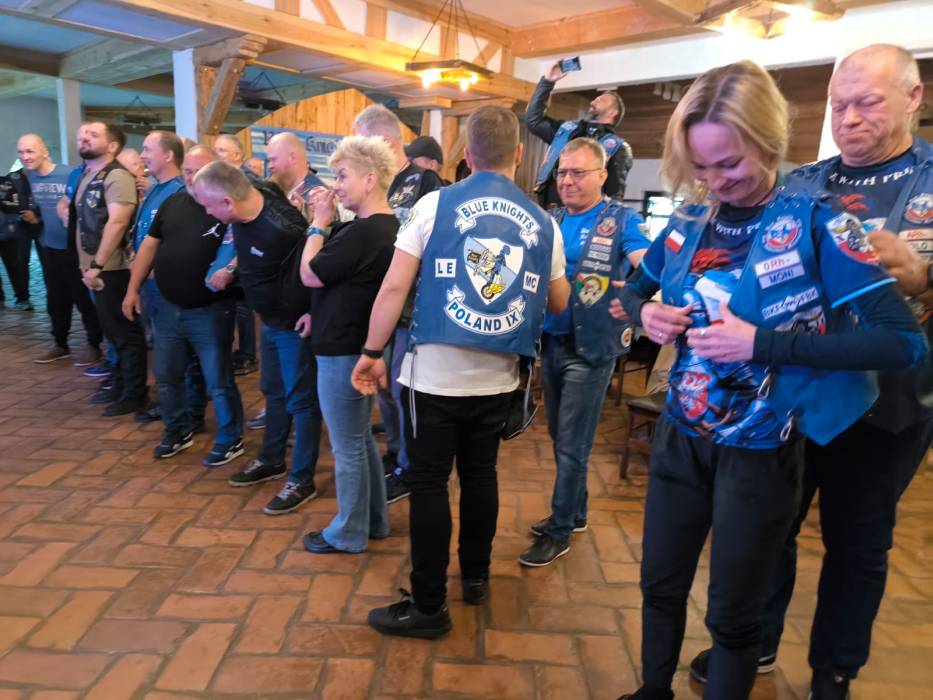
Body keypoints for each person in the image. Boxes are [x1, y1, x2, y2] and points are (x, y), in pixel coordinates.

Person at [612, 60, 926, 700]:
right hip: (682, 436)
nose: (713, 181)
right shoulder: (693, 215)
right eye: (700, 167)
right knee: (659, 585)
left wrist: (763, 343)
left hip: (762, 447)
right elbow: (628, 291)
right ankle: (651, 690)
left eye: (729, 163)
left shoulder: (821, 219)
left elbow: (903, 344)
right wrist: (645, 313)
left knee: (734, 616)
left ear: (768, 139)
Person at [351, 106, 570, 638]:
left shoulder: (434, 204)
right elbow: (560, 302)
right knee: (480, 476)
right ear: (519, 154)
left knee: (428, 484)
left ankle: (429, 607)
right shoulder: (544, 221)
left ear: (467, 155)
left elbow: (395, 286)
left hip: (433, 374)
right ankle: (475, 578)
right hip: (499, 377)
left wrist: (373, 350)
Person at [518, 138, 649, 567]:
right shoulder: (551, 219)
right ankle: (575, 513)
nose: (568, 180)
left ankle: (558, 530)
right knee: (561, 438)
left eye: (578, 172)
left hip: (591, 348)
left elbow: (647, 263)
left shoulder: (622, 220)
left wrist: (636, 292)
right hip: (552, 341)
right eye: (562, 172)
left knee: (573, 444)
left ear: (602, 175)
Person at [192, 160, 323, 516]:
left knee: (302, 402)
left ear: (228, 202)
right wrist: (232, 267)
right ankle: (271, 459)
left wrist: (313, 311)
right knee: (273, 392)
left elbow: (316, 267)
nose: (207, 213)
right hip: (271, 320)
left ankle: (302, 478)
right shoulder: (254, 195)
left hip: (294, 325)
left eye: (208, 206)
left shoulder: (284, 228)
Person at [297, 135, 396, 553]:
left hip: (344, 348)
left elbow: (310, 273)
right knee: (359, 439)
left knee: (348, 445)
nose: (336, 185)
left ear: (370, 179)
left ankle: (348, 533)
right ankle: (374, 520)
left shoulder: (365, 231)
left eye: (342, 176)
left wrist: (318, 223)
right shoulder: (383, 227)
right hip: (354, 342)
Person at [123, 145, 244, 466]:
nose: (190, 178)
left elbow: (245, 246)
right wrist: (132, 289)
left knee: (218, 380)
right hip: (167, 307)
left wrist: (230, 269)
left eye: (198, 172)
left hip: (210, 310)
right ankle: (177, 430)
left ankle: (230, 438)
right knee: (167, 376)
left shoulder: (228, 204)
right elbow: (149, 247)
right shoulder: (173, 202)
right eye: (187, 171)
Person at [352, 104, 445, 503]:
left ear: (385, 141)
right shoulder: (380, 183)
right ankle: (396, 451)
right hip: (378, 301)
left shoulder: (425, 181)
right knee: (385, 388)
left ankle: (409, 465)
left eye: (363, 143)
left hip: (410, 307)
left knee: (403, 388)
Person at [73, 122, 147, 417]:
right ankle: (119, 384)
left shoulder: (117, 175)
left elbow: (117, 222)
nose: (84, 138)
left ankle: (134, 394)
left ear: (113, 146)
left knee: (125, 333)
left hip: (112, 268)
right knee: (112, 333)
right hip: (94, 267)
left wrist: (97, 265)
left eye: (93, 135)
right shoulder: (89, 174)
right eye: (82, 135)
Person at [18, 134, 103, 365]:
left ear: (45, 152)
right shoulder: (30, 177)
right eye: (21, 152)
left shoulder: (68, 174)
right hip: (50, 248)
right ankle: (60, 344)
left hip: (76, 250)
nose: (25, 157)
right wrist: (35, 217)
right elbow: (41, 209)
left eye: (30, 151)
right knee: (56, 299)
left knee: (84, 299)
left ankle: (94, 345)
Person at [526, 61, 632, 209]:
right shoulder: (568, 130)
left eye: (601, 100)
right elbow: (533, 120)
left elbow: (614, 196)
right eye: (596, 98)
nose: (594, 100)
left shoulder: (618, 147)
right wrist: (547, 82)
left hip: (585, 217)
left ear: (613, 113)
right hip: (547, 210)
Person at [214, 134, 260, 377]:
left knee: (243, 309)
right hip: (230, 255)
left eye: (222, 150)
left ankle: (247, 355)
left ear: (236, 155)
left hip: (244, 258)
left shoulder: (247, 182)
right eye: (215, 149)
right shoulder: (226, 180)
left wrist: (233, 265)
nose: (216, 154)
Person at [0, 158, 38, 311]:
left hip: (7, 231)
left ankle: (22, 298)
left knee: (15, 265)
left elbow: (13, 205)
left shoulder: (6, 181)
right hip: (9, 229)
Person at [265, 131, 324, 220]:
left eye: (274, 159)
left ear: (292, 157)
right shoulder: (280, 190)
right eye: (269, 161)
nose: (270, 166)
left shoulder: (318, 196)